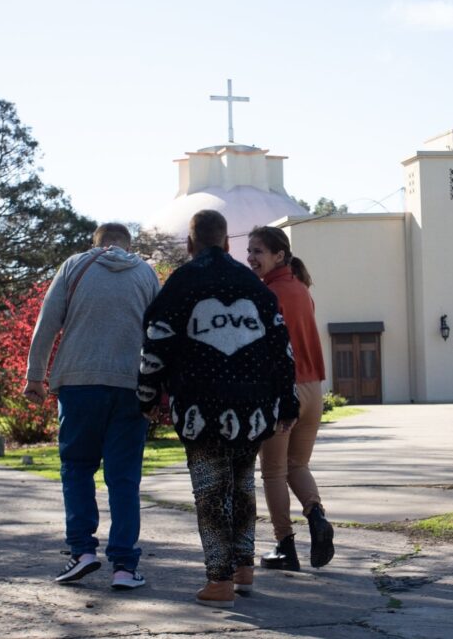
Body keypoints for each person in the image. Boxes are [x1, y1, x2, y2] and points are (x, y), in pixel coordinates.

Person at [137, 210, 298, 608]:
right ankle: (244, 568)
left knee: (210, 489)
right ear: (229, 243)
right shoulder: (255, 286)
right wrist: (287, 401)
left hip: (201, 404)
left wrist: (146, 395)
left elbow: (156, 343)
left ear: (190, 245)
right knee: (243, 484)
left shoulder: (181, 283)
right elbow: (282, 347)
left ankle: (218, 579)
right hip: (254, 405)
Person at [23, 223, 160, 590]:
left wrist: (34, 376)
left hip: (79, 384)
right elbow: (162, 332)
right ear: (129, 247)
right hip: (130, 386)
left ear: (95, 244)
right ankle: (124, 568)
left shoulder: (74, 266)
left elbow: (47, 321)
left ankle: (82, 552)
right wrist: (162, 389)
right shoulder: (146, 273)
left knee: (77, 468)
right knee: (124, 478)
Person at [246, 225, 334, 571]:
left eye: (258, 252)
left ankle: (285, 545)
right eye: (249, 251)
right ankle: (316, 516)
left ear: (279, 255)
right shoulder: (302, 290)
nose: (251, 257)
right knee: (298, 465)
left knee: (272, 471)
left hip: (284, 390)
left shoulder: (266, 294)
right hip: (314, 389)